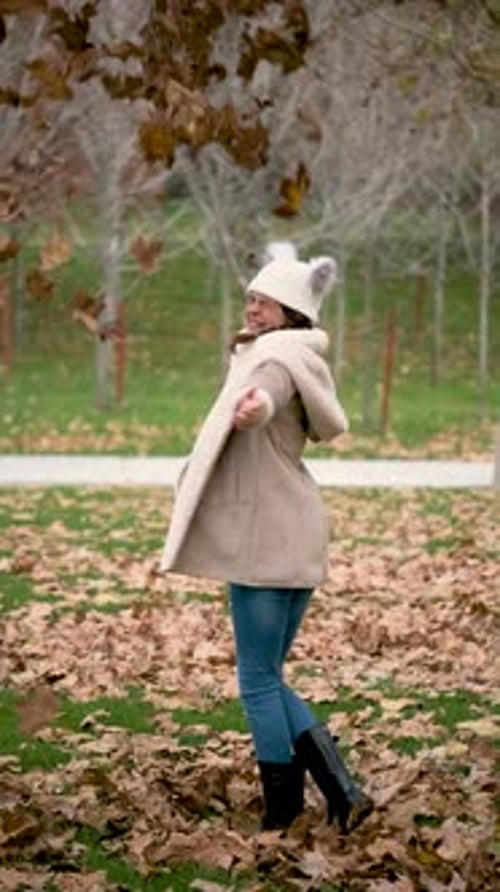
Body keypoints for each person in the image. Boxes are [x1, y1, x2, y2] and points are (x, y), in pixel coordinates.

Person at [160, 245, 374, 833]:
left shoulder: (275, 361)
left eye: (265, 301)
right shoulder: (298, 355)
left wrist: (253, 408)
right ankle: (344, 794)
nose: (252, 308)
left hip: (265, 540)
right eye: (251, 297)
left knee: (256, 681)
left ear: (290, 311)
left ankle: (282, 813)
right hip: (296, 533)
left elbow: (267, 396)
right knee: (269, 676)